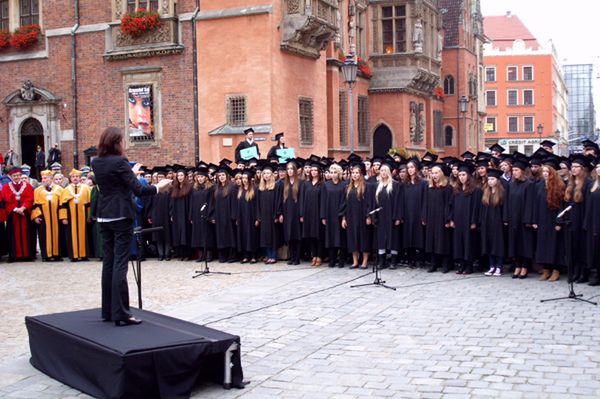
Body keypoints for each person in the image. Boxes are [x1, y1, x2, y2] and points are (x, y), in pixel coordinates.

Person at [92, 127, 171, 326]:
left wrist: (131, 173)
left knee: (108, 263)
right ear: (116, 142)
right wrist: (158, 187)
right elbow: (138, 190)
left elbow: (117, 183)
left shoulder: (97, 162)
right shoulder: (120, 162)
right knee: (121, 263)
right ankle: (122, 314)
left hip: (104, 215)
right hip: (121, 216)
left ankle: (108, 311)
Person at [532, 158, 566, 282]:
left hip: (553, 219)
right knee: (543, 245)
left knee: (554, 245)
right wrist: (534, 220)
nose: (545, 173)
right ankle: (546, 269)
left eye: (548, 171)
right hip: (541, 219)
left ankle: (556, 270)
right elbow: (534, 204)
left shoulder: (559, 185)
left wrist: (559, 222)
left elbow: (562, 206)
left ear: (553, 172)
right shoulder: (539, 185)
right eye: (544, 171)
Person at [565, 154, 593, 283]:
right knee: (573, 247)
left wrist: (586, 221)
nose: (574, 169)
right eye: (572, 167)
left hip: (582, 218)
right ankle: (575, 272)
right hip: (571, 219)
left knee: (582, 247)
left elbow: (589, 204)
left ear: (582, 169)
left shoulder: (588, 183)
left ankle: (584, 273)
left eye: (577, 167)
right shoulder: (570, 183)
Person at [449, 162, 481, 275]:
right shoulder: (456, 190)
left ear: (468, 176)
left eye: (464, 175)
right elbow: (451, 206)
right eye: (460, 175)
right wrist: (451, 219)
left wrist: (474, 221)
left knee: (469, 243)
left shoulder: (475, 190)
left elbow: (476, 207)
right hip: (458, 221)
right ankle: (461, 265)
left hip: (468, 221)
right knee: (459, 243)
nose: (461, 177)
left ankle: (469, 266)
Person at [506, 157, 535, 279]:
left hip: (524, 220)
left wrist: (528, 220)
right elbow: (507, 202)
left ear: (522, 171)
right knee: (514, 244)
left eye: (517, 170)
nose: (514, 172)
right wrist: (506, 218)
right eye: (513, 170)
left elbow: (530, 203)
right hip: (513, 219)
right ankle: (517, 265)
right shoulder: (511, 185)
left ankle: (525, 267)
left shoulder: (529, 185)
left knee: (524, 244)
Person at [423, 164, 453, 273]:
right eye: (433, 173)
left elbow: (449, 204)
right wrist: (424, 216)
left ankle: (446, 264)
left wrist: (447, 219)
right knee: (431, 241)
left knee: (443, 241)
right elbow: (425, 203)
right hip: (431, 217)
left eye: (436, 173)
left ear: (441, 174)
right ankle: (433, 264)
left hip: (442, 218)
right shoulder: (429, 187)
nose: (434, 175)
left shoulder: (447, 187)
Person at [1, 167, 35, 262]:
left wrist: (23, 208)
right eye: (14, 176)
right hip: (13, 214)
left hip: (25, 214)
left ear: (21, 176)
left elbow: (30, 199)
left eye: (18, 175)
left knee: (26, 233)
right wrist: (16, 209)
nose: (16, 177)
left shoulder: (27, 186)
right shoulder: (6, 187)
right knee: (13, 234)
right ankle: (14, 255)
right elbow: (6, 201)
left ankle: (27, 255)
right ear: (11, 176)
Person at [342, 163, 371, 269]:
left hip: (362, 216)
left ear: (361, 174)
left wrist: (368, 216)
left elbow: (369, 202)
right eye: (353, 173)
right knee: (352, 238)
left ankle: (364, 261)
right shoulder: (347, 188)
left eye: (357, 173)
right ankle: (355, 261)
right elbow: (344, 204)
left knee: (364, 238)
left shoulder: (366, 186)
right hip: (351, 216)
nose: (354, 175)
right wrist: (344, 218)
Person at [59, 169, 91, 262]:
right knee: (71, 235)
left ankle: (84, 254)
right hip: (70, 216)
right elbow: (63, 205)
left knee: (84, 234)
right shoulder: (66, 190)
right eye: (73, 177)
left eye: (77, 176)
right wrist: (64, 217)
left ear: (80, 178)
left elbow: (89, 203)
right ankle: (74, 255)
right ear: (70, 178)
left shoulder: (86, 188)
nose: (75, 178)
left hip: (83, 215)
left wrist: (89, 216)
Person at [479, 169, 507, 276]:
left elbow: (505, 208)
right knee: (489, 243)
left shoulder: (502, 193)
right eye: (489, 179)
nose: (490, 181)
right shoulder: (486, 192)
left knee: (498, 244)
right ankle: (491, 266)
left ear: (497, 180)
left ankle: (499, 266)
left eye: (492, 179)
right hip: (487, 222)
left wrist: (504, 220)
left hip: (498, 222)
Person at [31, 170, 63, 261]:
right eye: (42, 178)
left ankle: (57, 254)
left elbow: (62, 204)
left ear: (51, 179)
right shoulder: (37, 190)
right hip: (43, 217)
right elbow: (35, 204)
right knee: (44, 236)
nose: (43, 180)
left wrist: (62, 217)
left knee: (58, 235)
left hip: (56, 216)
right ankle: (46, 255)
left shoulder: (59, 189)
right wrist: (36, 216)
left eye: (45, 178)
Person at [320, 163, 347, 268]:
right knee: (331, 237)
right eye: (331, 172)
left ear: (339, 173)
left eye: (335, 172)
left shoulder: (344, 185)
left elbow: (345, 200)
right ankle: (332, 259)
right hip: (329, 214)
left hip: (340, 215)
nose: (333, 174)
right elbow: (323, 201)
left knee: (341, 237)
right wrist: (323, 216)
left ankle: (341, 260)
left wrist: (342, 213)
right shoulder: (326, 185)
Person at [278, 160, 303, 265]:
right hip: (287, 213)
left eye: (291, 169)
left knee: (296, 235)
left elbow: (302, 200)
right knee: (289, 235)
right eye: (288, 169)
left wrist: (301, 214)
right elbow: (280, 200)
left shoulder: (301, 183)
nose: (289, 171)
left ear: (295, 170)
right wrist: (281, 213)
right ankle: (291, 257)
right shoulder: (284, 184)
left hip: (296, 213)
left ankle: (297, 258)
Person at [189, 167, 215, 262]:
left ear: (205, 178)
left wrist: (210, 214)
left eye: (202, 177)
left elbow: (212, 202)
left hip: (206, 215)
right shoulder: (194, 188)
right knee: (197, 235)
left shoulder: (210, 188)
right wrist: (191, 215)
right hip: (196, 215)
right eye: (198, 177)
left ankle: (208, 254)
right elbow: (191, 203)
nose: (200, 179)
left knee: (207, 234)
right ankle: (200, 254)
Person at [212, 164, 237, 262]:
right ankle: (222, 256)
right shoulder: (216, 188)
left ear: (227, 176)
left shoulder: (232, 187)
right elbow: (213, 203)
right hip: (219, 216)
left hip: (228, 215)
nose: (221, 177)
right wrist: (213, 216)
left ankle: (232, 256)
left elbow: (234, 202)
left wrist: (233, 215)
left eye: (223, 175)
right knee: (221, 236)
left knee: (230, 236)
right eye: (220, 175)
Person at [300, 160, 323, 266]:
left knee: (318, 235)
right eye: (312, 170)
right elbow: (302, 199)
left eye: (315, 170)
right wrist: (302, 214)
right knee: (311, 235)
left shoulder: (322, 185)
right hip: (308, 213)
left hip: (318, 213)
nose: (313, 172)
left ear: (319, 172)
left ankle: (319, 256)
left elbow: (324, 200)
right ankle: (314, 255)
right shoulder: (306, 184)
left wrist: (323, 215)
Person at [256, 163, 280, 264]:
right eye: (264, 173)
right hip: (264, 216)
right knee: (265, 236)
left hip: (272, 216)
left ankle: (273, 256)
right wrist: (258, 216)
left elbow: (278, 201)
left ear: (272, 175)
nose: (266, 175)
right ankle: (268, 254)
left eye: (268, 173)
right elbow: (257, 203)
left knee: (273, 236)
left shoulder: (276, 187)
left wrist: (276, 215)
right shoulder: (260, 188)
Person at [234, 170, 259, 263]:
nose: (244, 180)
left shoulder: (254, 189)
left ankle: (253, 256)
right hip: (241, 217)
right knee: (243, 236)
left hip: (251, 216)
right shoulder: (240, 190)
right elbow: (237, 205)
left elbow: (257, 205)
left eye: (245, 178)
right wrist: (237, 217)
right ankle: (245, 255)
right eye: (242, 178)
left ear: (249, 179)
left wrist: (257, 218)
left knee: (251, 236)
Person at [147, 169, 172, 261]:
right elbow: (150, 203)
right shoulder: (154, 189)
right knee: (158, 235)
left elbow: (171, 203)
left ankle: (167, 254)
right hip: (156, 215)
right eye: (159, 177)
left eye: (162, 177)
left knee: (167, 235)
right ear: (156, 179)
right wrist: (149, 215)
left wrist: (170, 213)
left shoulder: (169, 189)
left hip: (166, 215)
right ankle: (160, 254)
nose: (160, 179)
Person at [170, 168, 192, 260]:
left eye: (181, 175)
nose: (180, 177)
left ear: (185, 176)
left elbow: (191, 202)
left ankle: (187, 254)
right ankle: (180, 253)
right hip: (176, 214)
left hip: (185, 214)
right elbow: (171, 203)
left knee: (186, 233)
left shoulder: (189, 188)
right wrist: (171, 214)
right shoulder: (174, 188)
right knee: (178, 234)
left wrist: (190, 215)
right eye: (178, 175)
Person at [584, 159, 600, 286]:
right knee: (594, 248)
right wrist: (586, 222)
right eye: (598, 167)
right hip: (594, 221)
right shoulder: (592, 184)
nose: (599, 169)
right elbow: (588, 206)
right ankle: (595, 274)